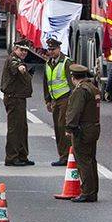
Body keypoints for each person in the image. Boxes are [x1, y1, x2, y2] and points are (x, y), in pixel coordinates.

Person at [65, 63, 101, 203]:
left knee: (83, 161)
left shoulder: (80, 91)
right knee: (91, 160)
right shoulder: (93, 88)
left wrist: (70, 128)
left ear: (73, 77)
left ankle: (87, 191)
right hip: (93, 128)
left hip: (83, 129)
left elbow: (75, 110)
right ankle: (93, 191)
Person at [0, 39, 34, 166]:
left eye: (26, 50)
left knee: (22, 128)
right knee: (14, 128)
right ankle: (11, 157)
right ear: (15, 49)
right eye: (21, 50)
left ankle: (22, 156)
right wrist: (21, 68)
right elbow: (15, 65)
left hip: (19, 98)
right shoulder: (13, 59)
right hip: (13, 98)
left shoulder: (19, 59)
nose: (24, 52)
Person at [43, 37, 73, 166]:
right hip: (55, 100)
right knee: (57, 128)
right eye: (49, 49)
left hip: (65, 98)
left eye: (53, 49)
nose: (51, 52)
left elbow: (72, 84)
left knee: (63, 127)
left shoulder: (66, 62)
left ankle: (67, 156)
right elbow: (46, 83)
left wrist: (72, 101)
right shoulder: (48, 63)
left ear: (59, 49)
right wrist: (47, 100)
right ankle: (62, 155)